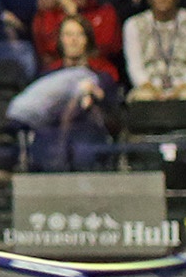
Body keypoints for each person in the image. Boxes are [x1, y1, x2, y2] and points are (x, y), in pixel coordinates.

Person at [9, 15, 120, 171]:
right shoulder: (46, 77)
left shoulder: (102, 77)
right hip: (50, 137)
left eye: (79, 34)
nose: (73, 40)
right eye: (68, 35)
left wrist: (95, 95)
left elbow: (113, 117)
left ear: (87, 40)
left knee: (84, 153)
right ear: (60, 40)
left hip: (86, 137)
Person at [31, 0, 120, 71]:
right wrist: (68, 16)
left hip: (97, 70)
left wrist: (75, 16)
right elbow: (49, 49)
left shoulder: (105, 12)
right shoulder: (48, 13)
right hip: (57, 72)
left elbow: (107, 47)